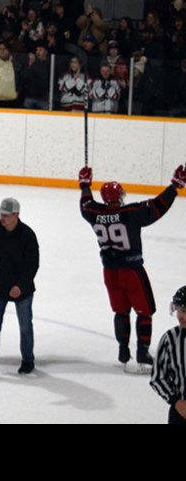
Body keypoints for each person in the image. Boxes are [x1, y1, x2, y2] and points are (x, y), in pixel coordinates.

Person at [79, 164, 184, 372]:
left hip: (110, 272)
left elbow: (86, 204)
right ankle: (143, 352)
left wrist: (84, 185)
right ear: (119, 197)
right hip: (131, 271)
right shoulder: (131, 212)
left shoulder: (94, 213)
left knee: (121, 311)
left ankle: (123, 349)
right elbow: (157, 207)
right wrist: (174, 186)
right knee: (144, 312)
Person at [0, 197, 40, 377]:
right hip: (0, 286)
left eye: (5, 215)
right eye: (1, 214)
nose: (1, 218)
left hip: (23, 289)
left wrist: (20, 286)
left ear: (16, 215)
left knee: (25, 326)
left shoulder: (28, 235)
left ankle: (28, 361)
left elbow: (33, 265)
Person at [151, 286, 186, 424]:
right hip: (181, 414)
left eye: (184, 311)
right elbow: (157, 377)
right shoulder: (170, 339)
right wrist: (176, 401)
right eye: (178, 310)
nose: (180, 316)